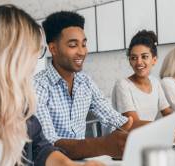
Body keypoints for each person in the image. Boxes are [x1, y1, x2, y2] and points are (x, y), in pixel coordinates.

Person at [0, 5, 102, 166]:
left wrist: (70, 165)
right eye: (33, 52)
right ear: (8, 54)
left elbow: (41, 149)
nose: (33, 63)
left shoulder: (18, 105)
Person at [35, 11, 149, 159]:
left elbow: (118, 120)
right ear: (53, 49)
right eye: (73, 45)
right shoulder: (38, 86)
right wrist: (104, 145)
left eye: (84, 44)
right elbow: (49, 144)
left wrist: (160, 129)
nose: (82, 52)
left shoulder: (85, 82)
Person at [112, 30, 172, 121]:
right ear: (130, 61)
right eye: (134, 58)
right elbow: (134, 124)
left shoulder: (155, 83)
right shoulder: (122, 85)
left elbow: (167, 113)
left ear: (154, 60)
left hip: (149, 133)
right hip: (128, 135)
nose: (139, 62)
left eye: (144, 57)